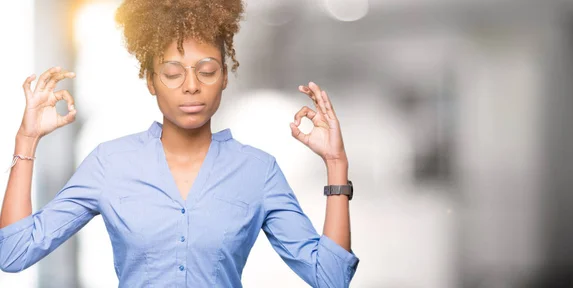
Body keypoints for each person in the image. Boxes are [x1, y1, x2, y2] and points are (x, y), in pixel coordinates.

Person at [0, 0, 359, 287]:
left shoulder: (257, 171)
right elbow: (14, 253)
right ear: (151, 81)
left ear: (224, 78)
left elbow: (330, 277)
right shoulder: (111, 163)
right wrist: (27, 139)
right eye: (172, 73)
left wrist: (336, 164)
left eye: (206, 71)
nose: (191, 86)